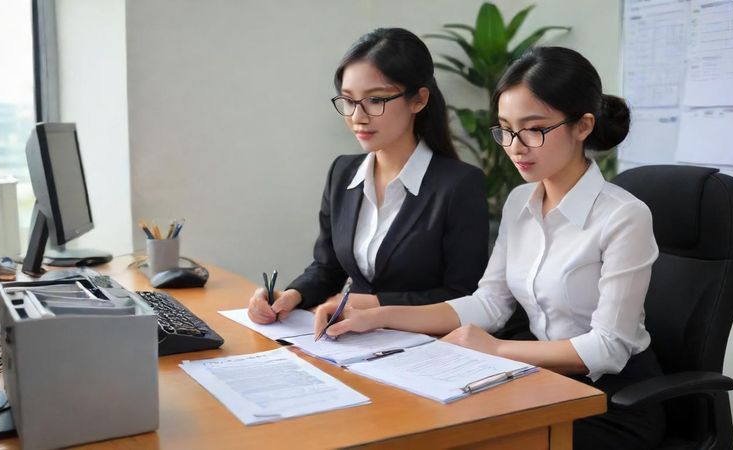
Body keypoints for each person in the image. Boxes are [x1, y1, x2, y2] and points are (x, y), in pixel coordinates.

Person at [317, 46, 665, 450]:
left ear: (583, 126)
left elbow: (609, 347)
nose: (515, 146)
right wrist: (378, 315)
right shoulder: (520, 201)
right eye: (505, 129)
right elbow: (490, 304)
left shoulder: (624, 216)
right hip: (543, 383)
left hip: (614, 403)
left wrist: (496, 348)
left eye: (533, 129)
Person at [247, 28, 490, 324]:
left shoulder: (460, 185)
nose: (357, 116)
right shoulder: (343, 172)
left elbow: (463, 295)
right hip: (351, 342)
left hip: (426, 348)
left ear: (418, 100)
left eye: (375, 100)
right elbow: (327, 268)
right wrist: (291, 295)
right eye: (348, 100)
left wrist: (375, 305)